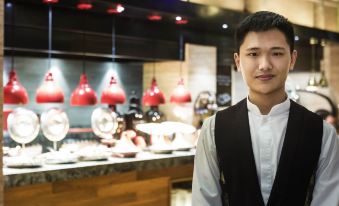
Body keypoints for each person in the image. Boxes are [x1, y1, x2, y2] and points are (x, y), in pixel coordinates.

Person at [192, 11, 339, 206]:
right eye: (253, 54)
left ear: (292, 59)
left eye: (276, 53)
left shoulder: (323, 133)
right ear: (238, 61)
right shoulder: (213, 129)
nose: (264, 65)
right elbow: (205, 201)